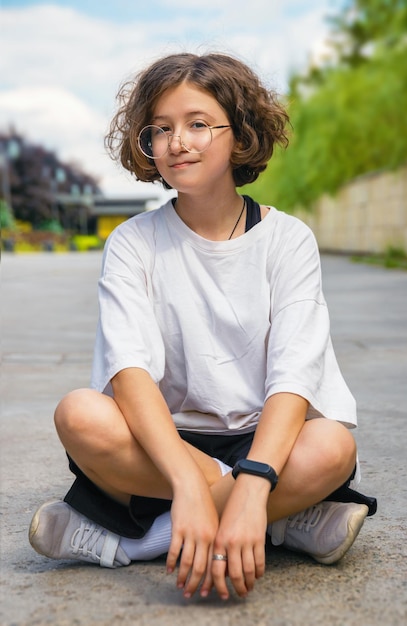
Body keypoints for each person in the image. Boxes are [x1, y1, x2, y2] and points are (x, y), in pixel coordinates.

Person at [29, 52, 376, 601]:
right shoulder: (133, 242)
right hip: (165, 445)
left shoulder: (288, 240)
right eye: (160, 129)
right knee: (80, 414)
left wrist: (256, 478)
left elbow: (295, 373)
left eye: (197, 124)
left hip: (268, 440)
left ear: (239, 136)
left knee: (332, 446)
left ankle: (146, 537)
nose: (177, 142)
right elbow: (128, 370)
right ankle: (280, 523)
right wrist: (190, 480)